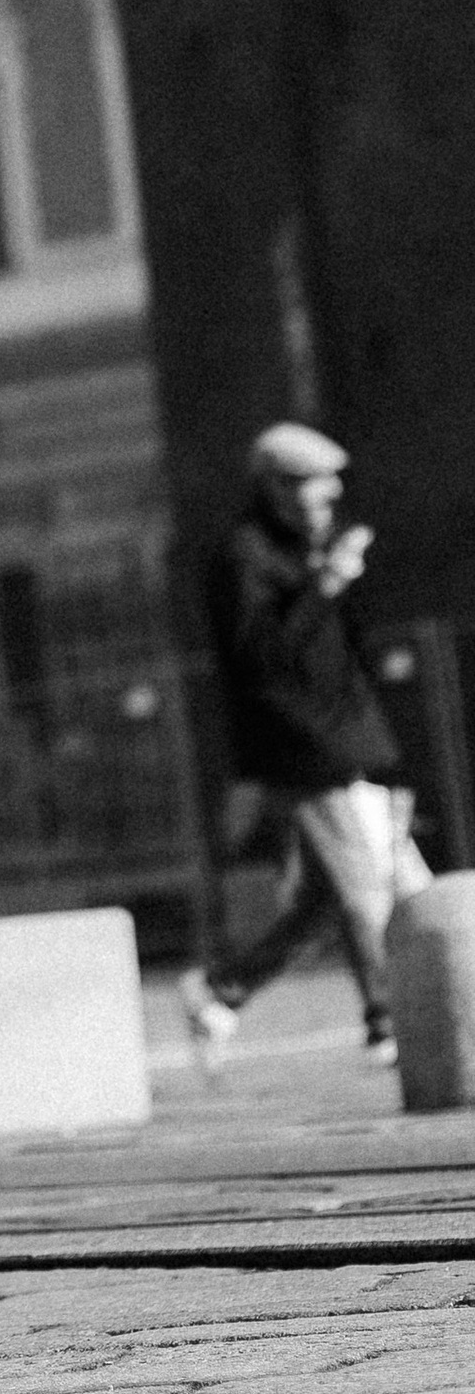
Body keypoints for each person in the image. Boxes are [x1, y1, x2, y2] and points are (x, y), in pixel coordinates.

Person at [181, 421, 431, 1065]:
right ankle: (391, 1019)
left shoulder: (305, 550)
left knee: (336, 893)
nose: (325, 503)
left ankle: (223, 990)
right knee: (374, 884)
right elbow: (259, 660)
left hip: (352, 738)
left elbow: (340, 651)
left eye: (329, 492)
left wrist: (332, 579)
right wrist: (321, 586)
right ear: (276, 489)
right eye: (313, 491)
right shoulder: (245, 557)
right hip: (306, 746)